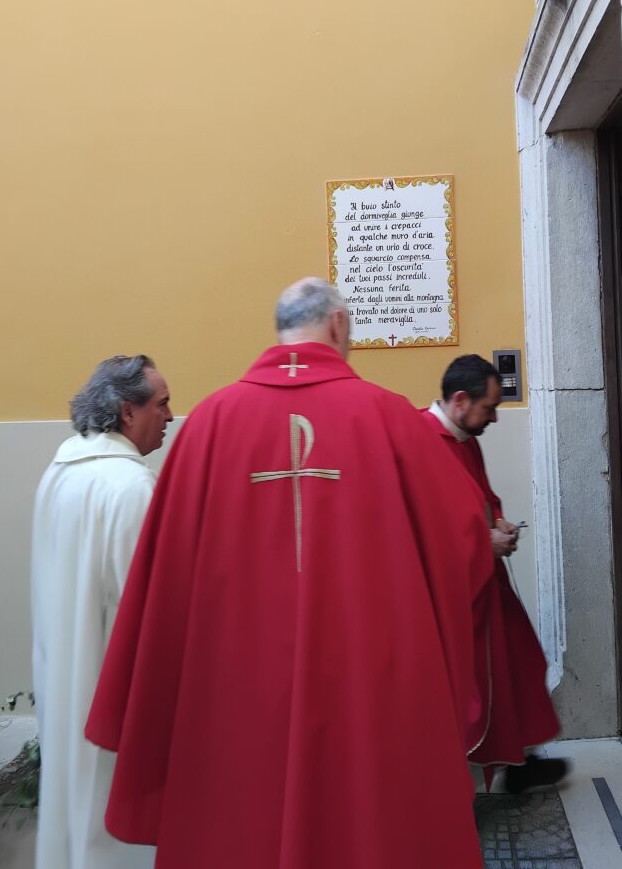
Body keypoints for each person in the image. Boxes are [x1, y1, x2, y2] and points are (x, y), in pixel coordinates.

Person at [86, 278, 497, 869]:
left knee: (242, 822)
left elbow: (162, 575)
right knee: (368, 822)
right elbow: (463, 542)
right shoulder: (389, 416)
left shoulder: (209, 423)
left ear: (280, 331)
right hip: (366, 680)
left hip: (232, 685)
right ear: (338, 325)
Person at [32, 355, 173, 869]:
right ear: (127, 412)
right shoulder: (132, 488)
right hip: (112, 687)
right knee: (109, 814)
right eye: (161, 404)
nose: (170, 416)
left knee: (73, 805)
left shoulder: (59, 472)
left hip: (64, 673)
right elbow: (151, 609)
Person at [423, 354, 567, 793]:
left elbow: (481, 498)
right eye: (489, 408)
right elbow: (419, 525)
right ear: (460, 401)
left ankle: (518, 761)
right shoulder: (420, 441)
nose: (494, 418)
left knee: (521, 662)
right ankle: (459, 786)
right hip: (451, 598)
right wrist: (481, 543)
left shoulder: (465, 438)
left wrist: (498, 522)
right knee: (470, 691)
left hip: (485, 583)